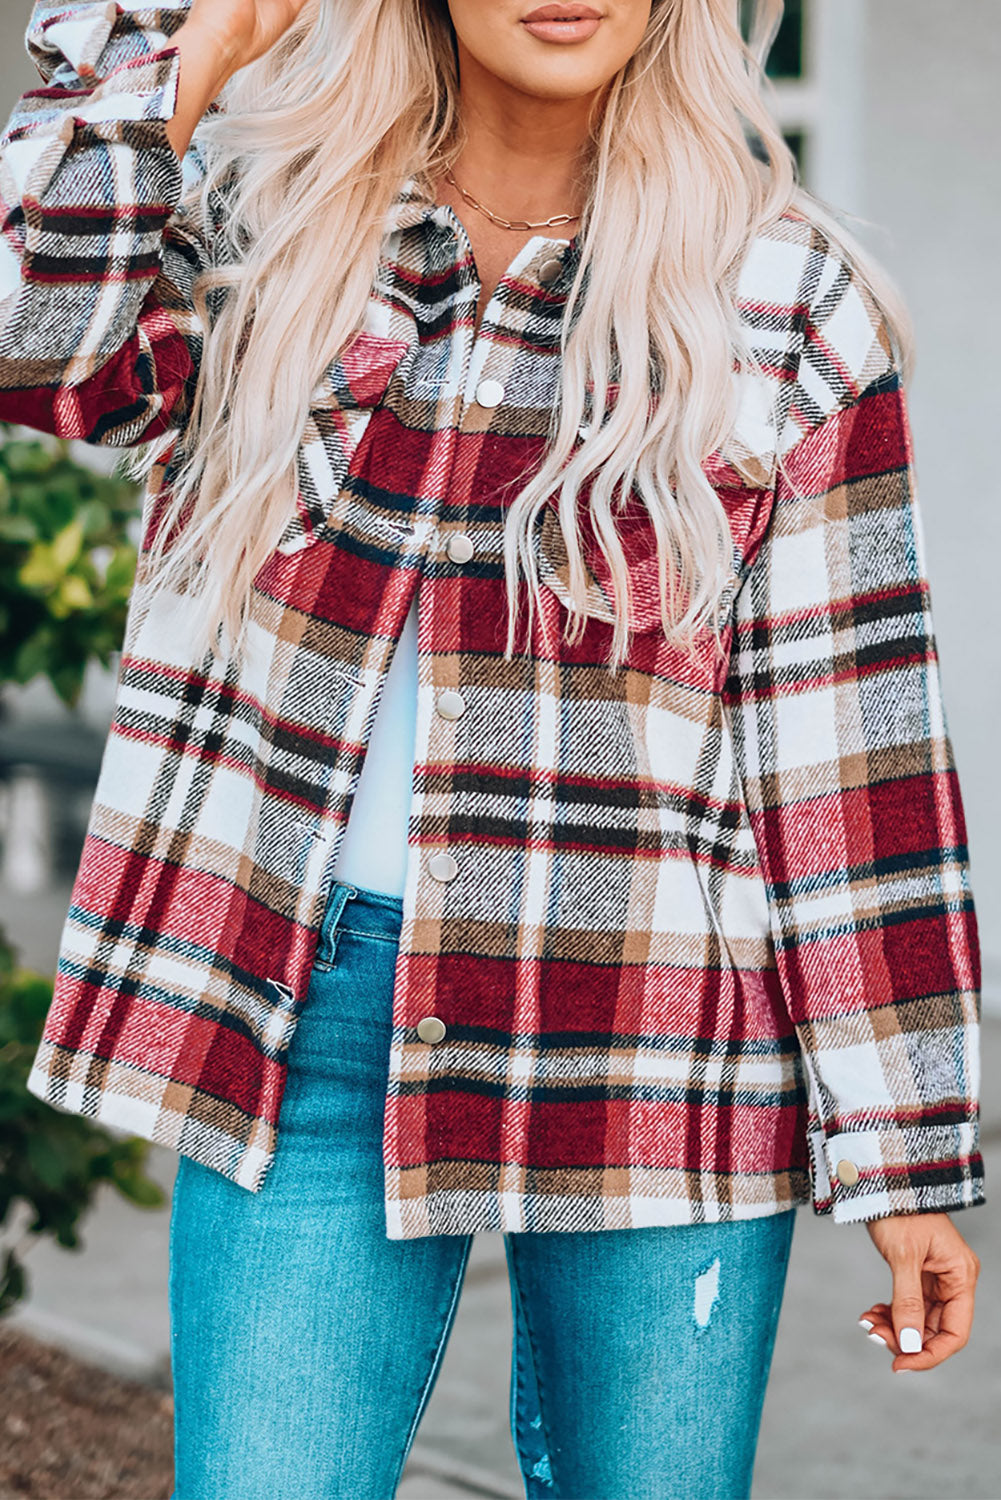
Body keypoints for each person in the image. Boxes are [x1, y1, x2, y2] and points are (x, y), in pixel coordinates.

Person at [0, 0, 985, 1496]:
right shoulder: (265, 226)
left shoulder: (784, 294)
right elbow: (29, 344)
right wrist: (205, 40)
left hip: (663, 1031)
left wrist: (902, 1148)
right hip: (305, 1018)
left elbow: (847, 745)